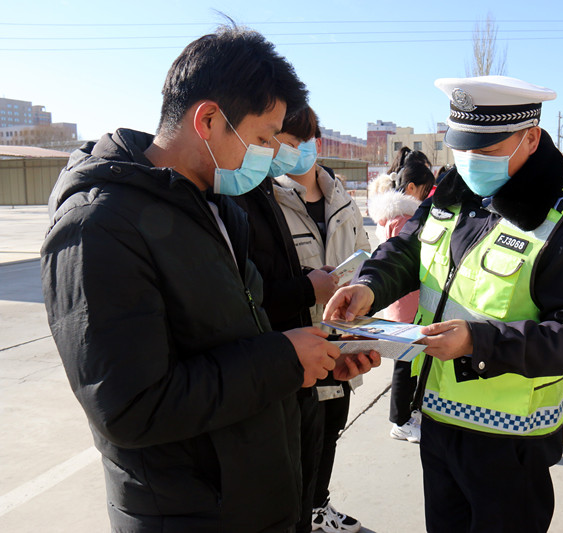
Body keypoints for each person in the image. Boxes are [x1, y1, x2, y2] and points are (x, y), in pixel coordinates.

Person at [39, 26, 378, 532]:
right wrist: (284, 359)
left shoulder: (217, 207)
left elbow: (235, 338)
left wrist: (316, 363)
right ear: (209, 119)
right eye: (263, 139)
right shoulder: (98, 226)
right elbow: (131, 408)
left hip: (251, 495)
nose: (269, 156)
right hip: (188, 510)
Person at [325, 75, 563, 532]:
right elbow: (410, 249)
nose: (470, 160)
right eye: (462, 147)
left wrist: (479, 341)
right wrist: (370, 286)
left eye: (486, 147)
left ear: (530, 138)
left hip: (510, 439)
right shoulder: (453, 193)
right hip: (436, 414)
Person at [272, 107, 371, 533]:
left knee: (331, 431)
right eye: (287, 142)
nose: (299, 150)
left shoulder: (340, 195)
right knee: (300, 442)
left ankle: (318, 506)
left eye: (305, 140)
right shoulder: (267, 198)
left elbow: (367, 251)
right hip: (300, 343)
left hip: (343, 340)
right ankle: (301, 514)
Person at [367, 161, 436, 443]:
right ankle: (401, 420)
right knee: (405, 365)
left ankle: (407, 415)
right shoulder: (406, 219)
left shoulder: (388, 216)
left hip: (399, 303)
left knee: (406, 362)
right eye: (425, 189)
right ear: (411, 188)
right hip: (408, 303)